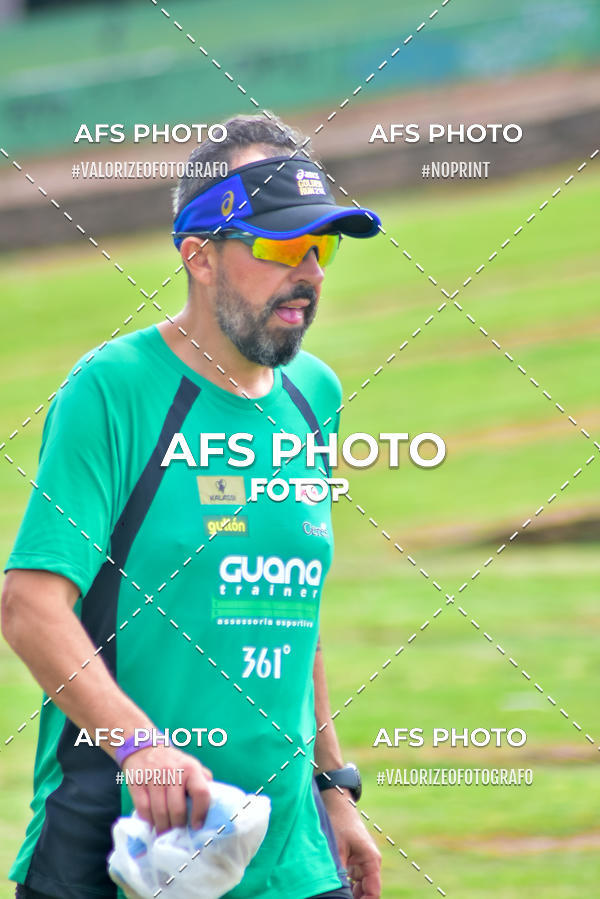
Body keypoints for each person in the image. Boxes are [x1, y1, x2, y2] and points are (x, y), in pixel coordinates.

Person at [2, 113, 382, 899]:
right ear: (198, 257)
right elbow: (29, 605)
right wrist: (140, 746)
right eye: (280, 247)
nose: (308, 271)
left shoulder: (317, 396)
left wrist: (334, 788)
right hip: (120, 850)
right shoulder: (113, 390)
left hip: (289, 854)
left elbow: (289, 609)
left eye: (323, 247)